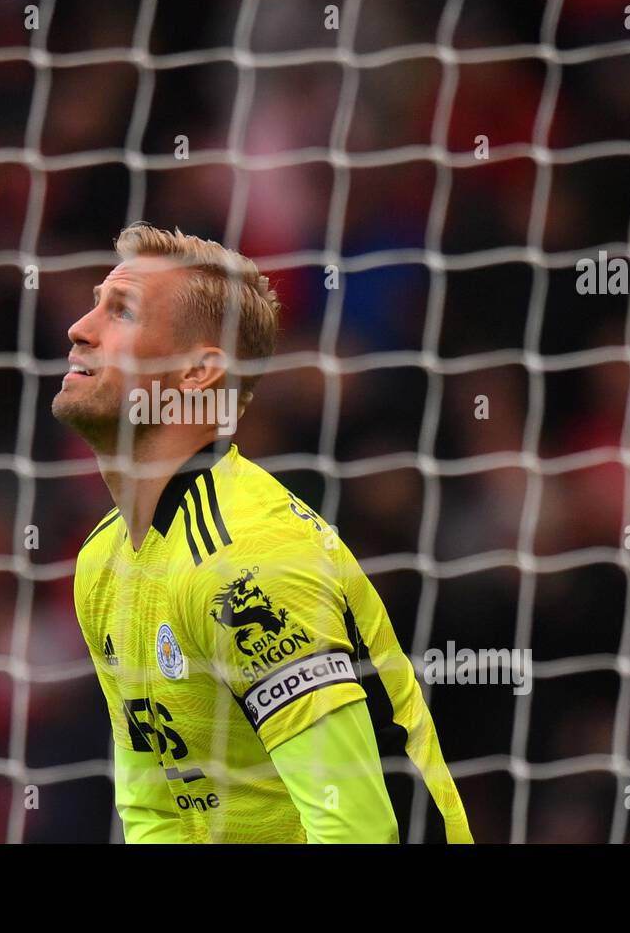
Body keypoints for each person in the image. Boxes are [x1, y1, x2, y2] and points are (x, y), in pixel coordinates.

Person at [53, 222, 473, 843]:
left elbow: (360, 830)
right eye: (95, 305)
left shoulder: (247, 561)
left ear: (198, 372)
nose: (79, 329)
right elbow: (157, 811)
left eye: (122, 312)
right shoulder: (101, 564)